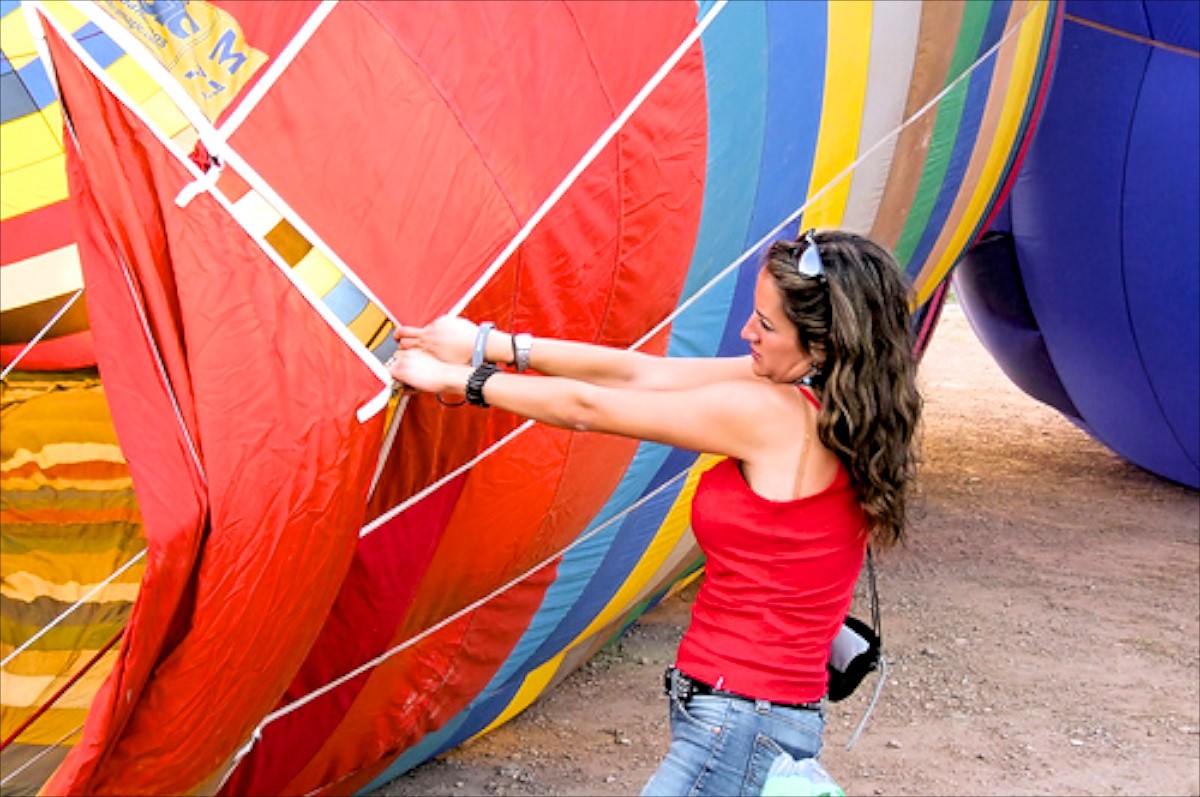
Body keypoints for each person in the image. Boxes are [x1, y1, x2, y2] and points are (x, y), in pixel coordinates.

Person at [387, 228, 922, 797]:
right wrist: (489, 344)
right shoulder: (846, 407)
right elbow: (644, 373)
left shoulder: (771, 413)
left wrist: (460, 381)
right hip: (760, 717)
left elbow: (589, 409)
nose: (747, 333)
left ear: (821, 343)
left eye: (766, 325)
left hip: (739, 722)